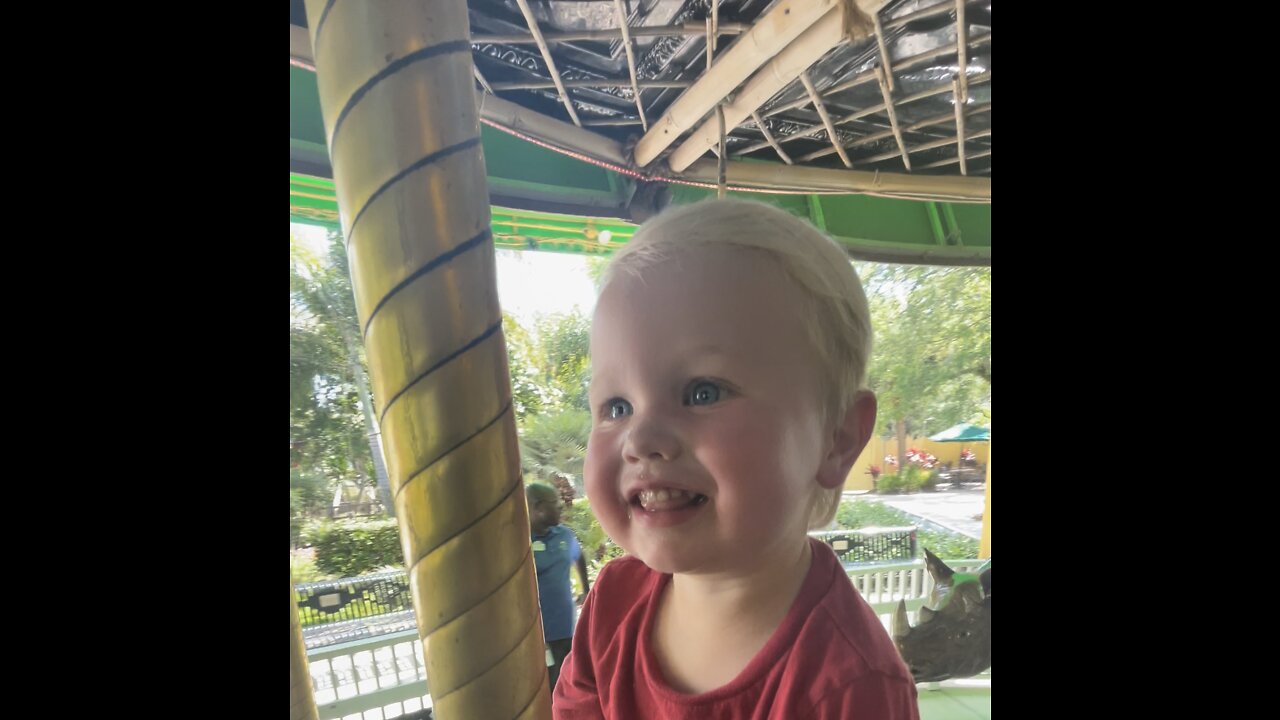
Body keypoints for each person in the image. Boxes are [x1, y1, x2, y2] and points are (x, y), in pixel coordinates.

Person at [553, 199, 919, 719]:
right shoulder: (613, 603)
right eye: (617, 406)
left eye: (703, 392)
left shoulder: (848, 686)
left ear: (835, 438)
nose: (641, 438)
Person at [528, 482, 591, 692]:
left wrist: (586, 589)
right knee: (546, 693)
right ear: (538, 508)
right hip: (537, 636)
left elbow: (579, 556)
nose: (561, 507)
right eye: (555, 503)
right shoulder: (520, 542)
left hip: (566, 628)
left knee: (570, 688)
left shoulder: (564, 535)